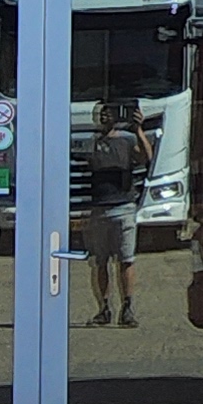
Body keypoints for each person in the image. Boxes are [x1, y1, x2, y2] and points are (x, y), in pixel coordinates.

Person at [84, 97, 153, 327]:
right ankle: (104, 308)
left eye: (109, 112)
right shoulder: (91, 143)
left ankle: (127, 307)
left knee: (126, 260)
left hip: (123, 207)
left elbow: (146, 156)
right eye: (101, 113)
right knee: (100, 261)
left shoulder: (126, 141)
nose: (105, 116)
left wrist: (139, 129)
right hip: (98, 208)